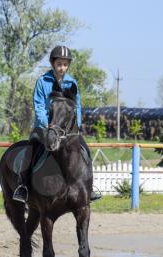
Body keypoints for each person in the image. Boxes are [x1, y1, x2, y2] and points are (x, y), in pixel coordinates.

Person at [13, 45, 102, 203]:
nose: (62, 68)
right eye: (59, 64)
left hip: (67, 130)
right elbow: (39, 105)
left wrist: (77, 125)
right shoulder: (42, 81)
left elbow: (77, 106)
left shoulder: (71, 83)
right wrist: (47, 124)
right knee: (30, 149)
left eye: (65, 64)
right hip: (45, 127)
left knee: (85, 150)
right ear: (53, 63)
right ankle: (23, 187)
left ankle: (90, 187)